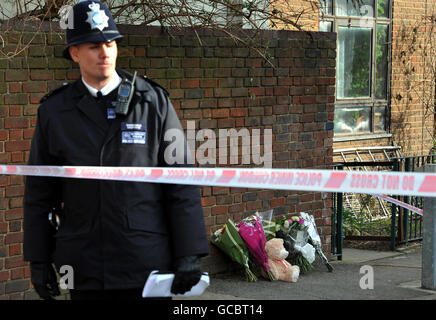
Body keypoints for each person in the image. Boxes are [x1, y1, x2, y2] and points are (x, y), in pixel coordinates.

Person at [23, 0, 209, 300]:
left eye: (110, 42)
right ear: (75, 53)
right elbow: (39, 193)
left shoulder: (152, 103)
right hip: (83, 264)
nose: (105, 52)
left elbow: (181, 182)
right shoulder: (54, 112)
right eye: (94, 45)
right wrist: (39, 258)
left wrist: (189, 252)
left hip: (144, 261)